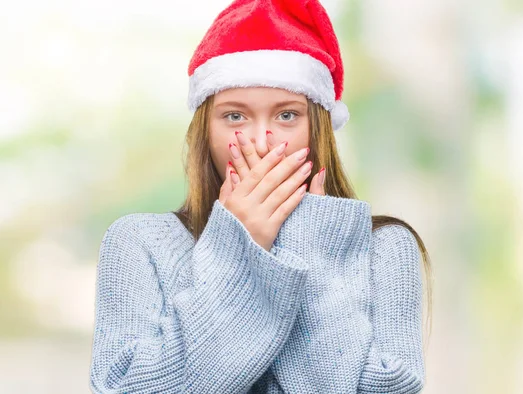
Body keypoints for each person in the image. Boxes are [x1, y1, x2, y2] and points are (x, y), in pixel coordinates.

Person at [88, 0, 433, 393]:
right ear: (206, 131)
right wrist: (237, 248)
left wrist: (309, 247)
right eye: (234, 116)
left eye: (287, 115)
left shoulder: (385, 247)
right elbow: (126, 387)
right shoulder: (140, 242)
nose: (259, 141)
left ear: (318, 128)